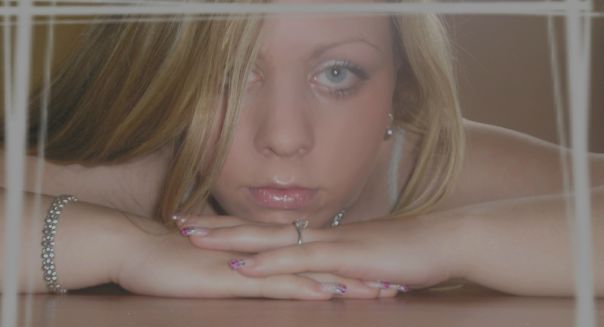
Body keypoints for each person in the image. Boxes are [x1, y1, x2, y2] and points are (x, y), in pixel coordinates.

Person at [1, 0, 603, 299]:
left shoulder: (427, 166)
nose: (285, 137)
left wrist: (445, 240)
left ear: (400, 82)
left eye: (337, 74)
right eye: (229, 75)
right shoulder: (140, 169)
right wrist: (130, 249)